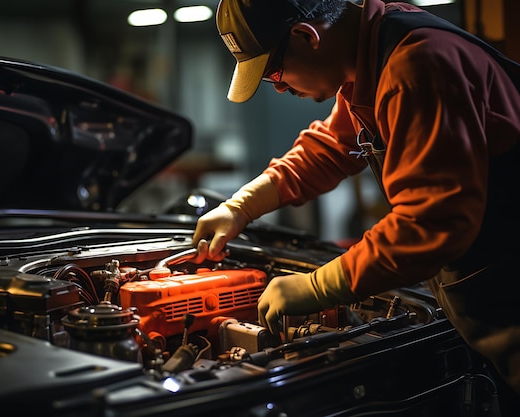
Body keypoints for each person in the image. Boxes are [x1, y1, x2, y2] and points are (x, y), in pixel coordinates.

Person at [191, 0, 520, 405]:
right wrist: (239, 206)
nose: (278, 87)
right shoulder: (372, 54)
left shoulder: (417, 66)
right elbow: (329, 147)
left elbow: (430, 224)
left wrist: (316, 286)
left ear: (306, 37)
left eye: (273, 72)